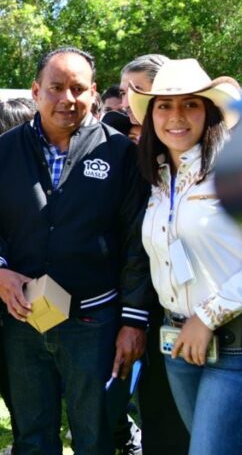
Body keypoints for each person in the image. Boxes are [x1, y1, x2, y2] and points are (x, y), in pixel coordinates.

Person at [0, 48, 153, 454]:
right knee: (32, 436)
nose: (67, 98)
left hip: (93, 324)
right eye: (56, 87)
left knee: (93, 437)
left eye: (78, 88)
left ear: (93, 92)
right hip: (24, 320)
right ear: (36, 90)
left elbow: (136, 242)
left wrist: (133, 321)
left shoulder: (121, 153)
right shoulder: (3, 151)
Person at [129, 60, 242, 455]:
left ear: (209, 112)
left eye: (190, 105)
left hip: (233, 344)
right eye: (164, 106)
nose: (176, 116)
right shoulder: (157, 180)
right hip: (178, 345)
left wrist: (208, 316)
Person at [118, 53, 189, 455]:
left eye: (139, 92)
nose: (130, 103)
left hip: (216, 327)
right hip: (156, 313)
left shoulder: (221, 167)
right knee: (161, 421)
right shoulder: (150, 167)